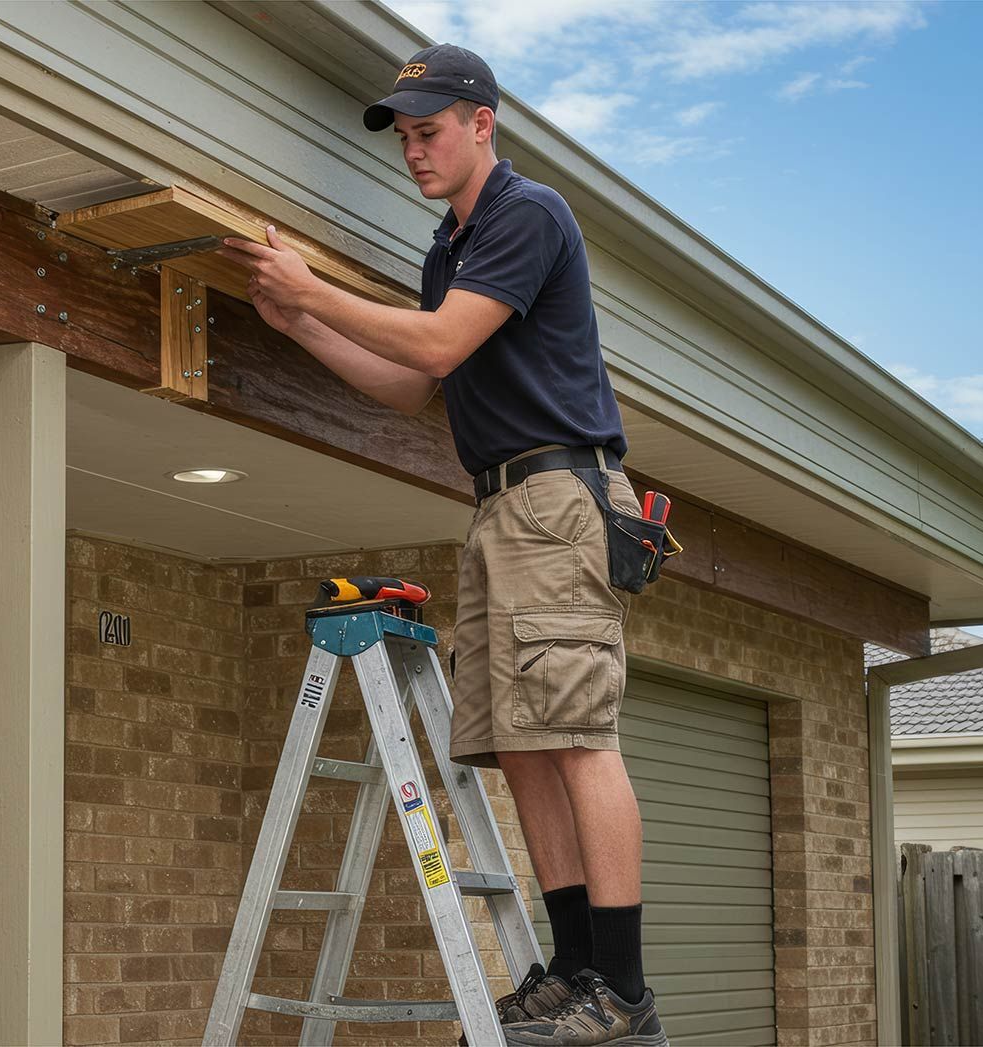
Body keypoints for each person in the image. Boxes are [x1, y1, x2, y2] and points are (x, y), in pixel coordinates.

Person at [218, 42, 668, 1047]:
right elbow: (415, 386)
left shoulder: (527, 214)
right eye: (405, 138)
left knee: (578, 737)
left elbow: (436, 342)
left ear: (481, 124)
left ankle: (625, 993)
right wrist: (297, 325)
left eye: (429, 132)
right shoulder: (449, 250)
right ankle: (574, 972)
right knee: (524, 745)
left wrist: (313, 288)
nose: (415, 151)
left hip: (558, 496)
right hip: (500, 505)